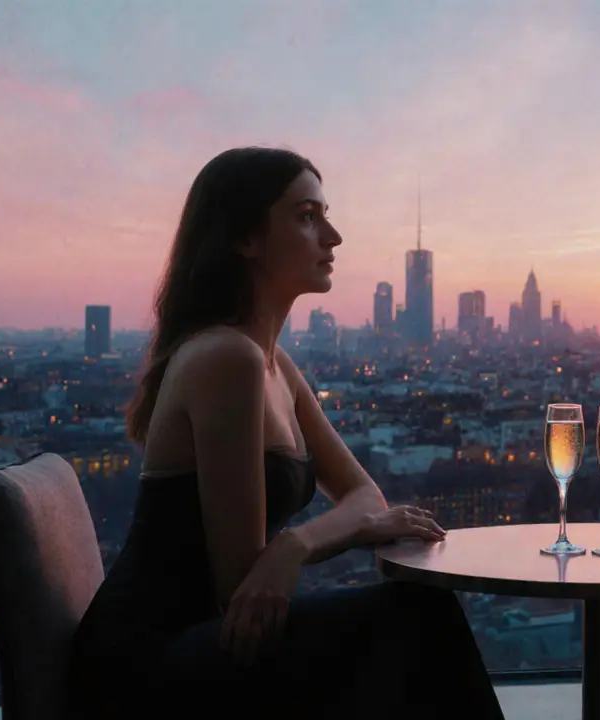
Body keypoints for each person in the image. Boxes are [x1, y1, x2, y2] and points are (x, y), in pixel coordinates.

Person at [68, 147, 504, 720]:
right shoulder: (229, 359)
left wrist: (295, 546)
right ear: (246, 239)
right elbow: (240, 586)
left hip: (203, 640)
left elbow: (366, 496)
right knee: (418, 618)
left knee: (412, 623)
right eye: (306, 216)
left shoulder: (274, 364)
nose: (333, 236)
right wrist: (297, 550)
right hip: (149, 662)